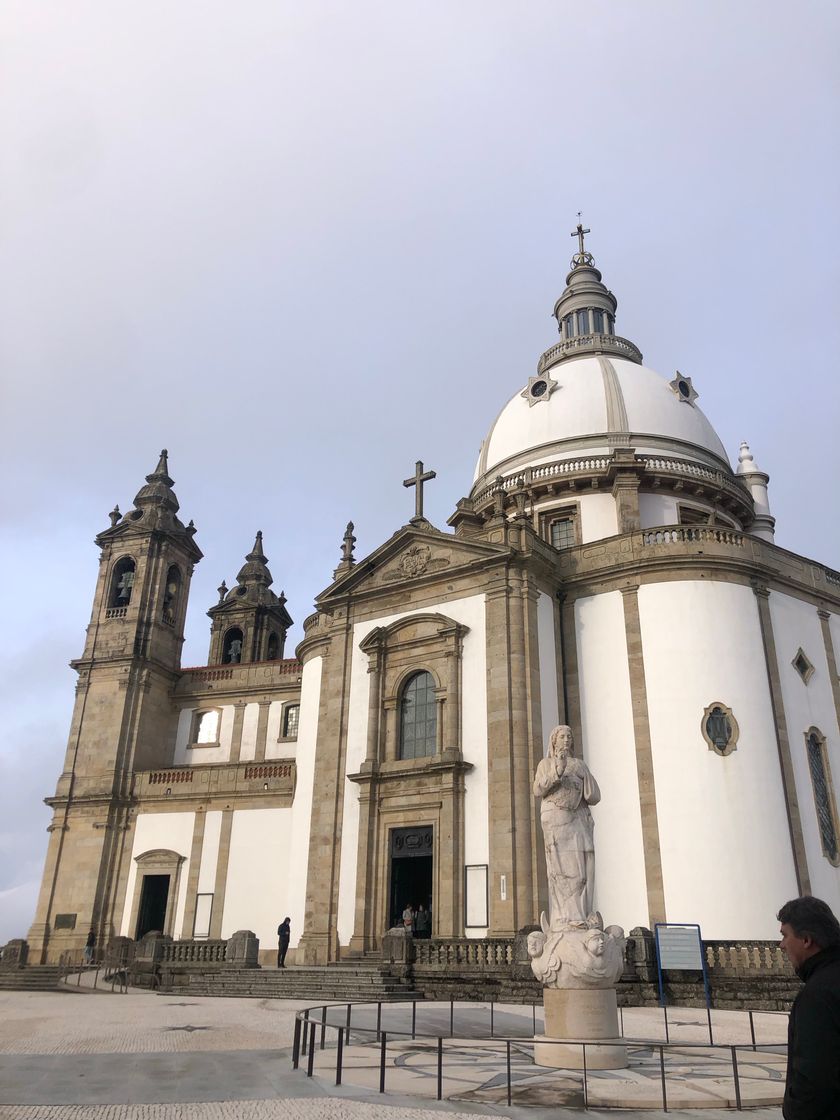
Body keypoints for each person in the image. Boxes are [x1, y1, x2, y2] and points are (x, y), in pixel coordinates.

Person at [778, 895, 840, 1119]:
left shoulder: (817, 995)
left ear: (806, 940)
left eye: (785, 935)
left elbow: (814, 1080)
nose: (782, 944)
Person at [533, 725, 600, 929]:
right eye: (562, 736)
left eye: (569, 736)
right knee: (561, 870)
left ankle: (581, 914)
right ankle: (564, 917)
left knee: (582, 870)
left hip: (578, 820)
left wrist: (584, 777)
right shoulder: (546, 764)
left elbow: (594, 795)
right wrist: (557, 771)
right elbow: (537, 789)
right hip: (556, 821)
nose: (566, 739)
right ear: (554, 740)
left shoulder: (579, 765)